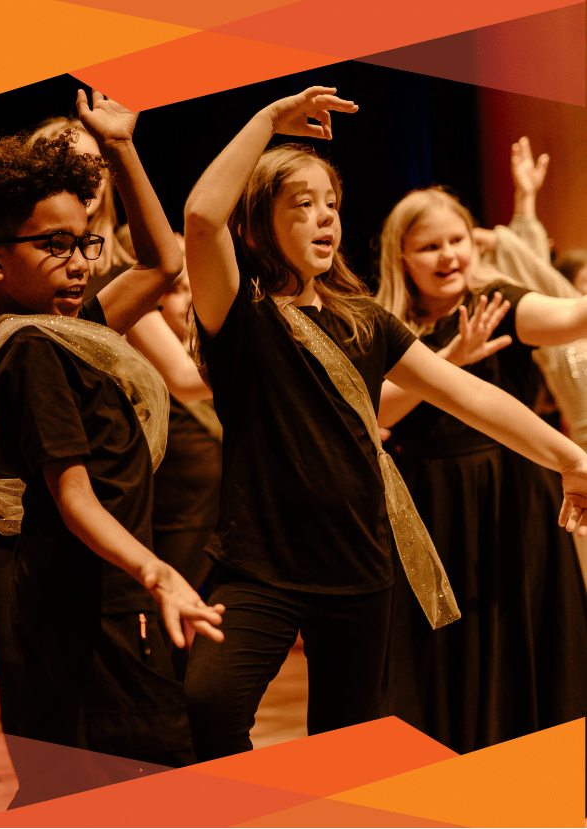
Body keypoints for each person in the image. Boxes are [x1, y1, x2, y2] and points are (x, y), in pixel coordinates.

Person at [180, 85, 587, 762]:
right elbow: (199, 217)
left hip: (359, 566)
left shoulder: (364, 320)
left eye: (331, 205)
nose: (323, 219)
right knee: (211, 700)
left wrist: (571, 460)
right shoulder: (240, 316)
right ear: (256, 225)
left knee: (347, 744)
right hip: (259, 564)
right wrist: (267, 122)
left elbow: (471, 397)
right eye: (301, 205)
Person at [0, 89, 224, 806]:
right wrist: (156, 571)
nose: (78, 260)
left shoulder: (75, 326)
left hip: (106, 589)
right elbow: (73, 498)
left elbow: (163, 264)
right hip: (87, 602)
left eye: (85, 241)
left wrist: (124, 150)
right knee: (94, 785)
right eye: (55, 245)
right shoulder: (32, 348)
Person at [375, 184, 587, 753]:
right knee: (446, 655)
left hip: (515, 499)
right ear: (401, 257)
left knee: (526, 639)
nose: (448, 256)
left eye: (457, 241)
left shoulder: (497, 302)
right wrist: (450, 361)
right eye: (429, 247)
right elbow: (372, 411)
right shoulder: (382, 323)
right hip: (431, 506)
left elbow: (571, 318)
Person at [128, 236, 222, 678]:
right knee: (158, 616)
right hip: (169, 506)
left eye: (192, 287)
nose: (188, 301)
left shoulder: (204, 350)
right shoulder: (143, 343)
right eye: (175, 289)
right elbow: (186, 381)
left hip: (207, 509)